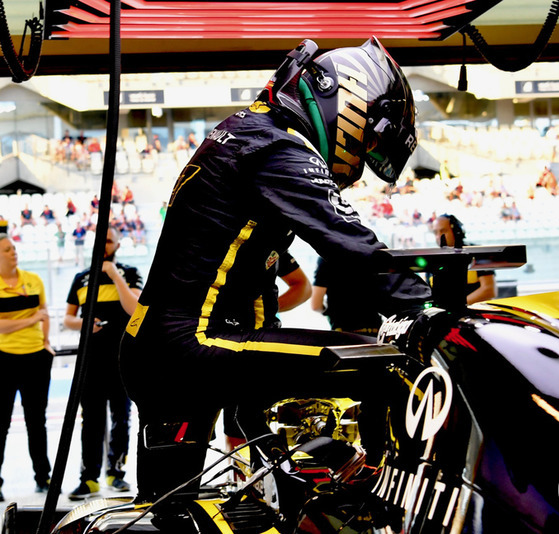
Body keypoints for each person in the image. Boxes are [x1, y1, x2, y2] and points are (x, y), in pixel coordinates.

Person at [118, 37, 430, 502]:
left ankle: (334, 482)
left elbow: (248, 280)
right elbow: (353, 245)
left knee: (172, 511)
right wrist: (429, 311)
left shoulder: (250, 132)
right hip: (194, 347)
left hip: (166, 349)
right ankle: (392, 493)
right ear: (347, 102)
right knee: (388, 364)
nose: (360, 168)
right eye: (367, 143)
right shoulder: (275, 149)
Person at [64, 227, 143, 500]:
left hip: (123, 357)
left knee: (122, 416)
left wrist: (114, 275)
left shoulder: (130, 272)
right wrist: (85, 324)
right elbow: (68, 319)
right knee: (91, 419)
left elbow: (134, 308)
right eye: (100, 239)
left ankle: (116, 474)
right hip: (91, 359)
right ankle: (89, 479)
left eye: (109, 240)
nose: (104, 244)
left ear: (118, 244)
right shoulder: (80, 278)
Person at [224, 251, 311, 451]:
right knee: (232, 430)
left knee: (247, 425)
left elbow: (303, 287)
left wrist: (269, 307)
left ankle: (255, 478)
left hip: (261, 343)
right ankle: (244, 477)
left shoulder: (271, 244)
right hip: (214, 343)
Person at [0, 234, 53, 501]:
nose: (13, 253)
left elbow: (45, 313)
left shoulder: (33, 280)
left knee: (37, 422)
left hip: (36, 359)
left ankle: (43, 477)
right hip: (4, 359)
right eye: (7, 250)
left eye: (14, 248)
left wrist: (45, 342)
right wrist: (31, 319)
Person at [431, 214, 497, 304]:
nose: (438, 236)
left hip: (475, 313)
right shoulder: (432, 258)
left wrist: (458, 305)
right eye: (435, 233)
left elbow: (489, 290)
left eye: (443, 231)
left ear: (457, 231)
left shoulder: (478, 252)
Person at [310, 257, 384, 335]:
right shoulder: (372, 254)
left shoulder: (326, 258)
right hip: (375, 331)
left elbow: (316, 305)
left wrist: (327, 310)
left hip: (344, 332)